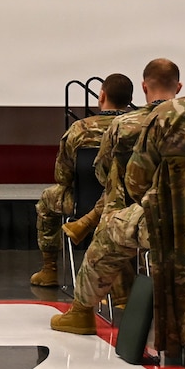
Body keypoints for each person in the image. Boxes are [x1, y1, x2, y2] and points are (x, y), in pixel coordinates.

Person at [56, 29, 185, 355]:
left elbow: (136, 182)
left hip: (173, 231)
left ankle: (82, 311)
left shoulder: (170, 117)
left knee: (110, 230)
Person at [51, 58, 181, 333]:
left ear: (145, 87)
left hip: (143, 215)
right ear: (179, 87)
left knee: (112, 215)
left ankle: (83, 309)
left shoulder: (124, 126)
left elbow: (102, 172)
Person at [29, 73, 134, 288]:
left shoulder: (80, 129)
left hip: (83, 204)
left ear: (101, 95)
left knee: (47, 200)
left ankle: (50, 269)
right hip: (131, 206)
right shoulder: (140, 126)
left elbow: (63, 176)